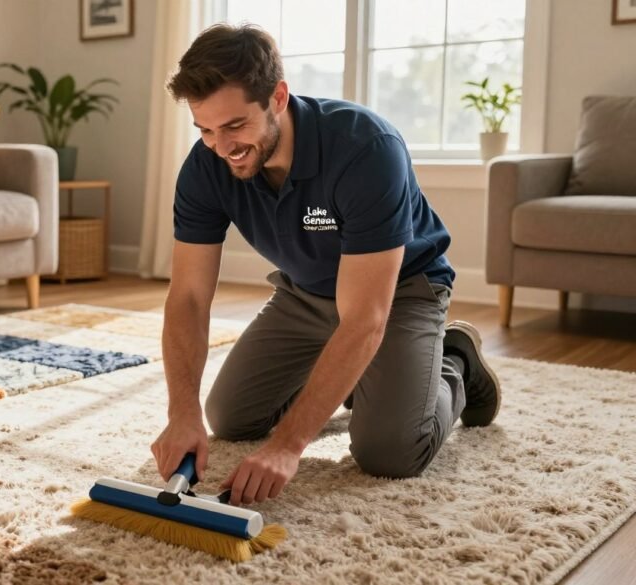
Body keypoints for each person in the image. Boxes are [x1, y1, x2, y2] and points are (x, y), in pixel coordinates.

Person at [149, 23, 501, 507]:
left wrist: (288, 446)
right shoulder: (207, 165)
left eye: (234, 126)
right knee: (230, 417)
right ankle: (366, 378)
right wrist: (181, 412)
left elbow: (365, 318)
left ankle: (454, 359)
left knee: (390, 451)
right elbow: (188, 297)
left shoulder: (367, 149)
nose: (222, 146)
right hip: (307, 292)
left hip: (400, 292)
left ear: (277, 97)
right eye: (205, 129)